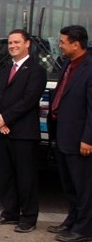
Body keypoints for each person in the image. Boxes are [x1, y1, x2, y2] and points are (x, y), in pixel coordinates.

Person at [0, 29, 47, 233]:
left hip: (23, 134)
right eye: (10, 43)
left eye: (17, 42)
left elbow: (28, 100)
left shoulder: (36, 70)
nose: (12, 46)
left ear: (27, 44)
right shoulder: (4, 70)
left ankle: (29, 217)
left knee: (26, 177)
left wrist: (5, 118)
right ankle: (10, 212)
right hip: (1, 132)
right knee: (6, 175)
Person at [47, 25, 92, 242]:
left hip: (80, 139)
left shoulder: (89, 67)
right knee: (70, 185)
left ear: (76, 44)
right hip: (63, 135)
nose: (59, 45)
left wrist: (88, 139)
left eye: (63, 42)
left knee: (84, 187)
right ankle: (72, 220)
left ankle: (83, 230)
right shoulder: (67, 63)